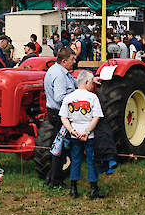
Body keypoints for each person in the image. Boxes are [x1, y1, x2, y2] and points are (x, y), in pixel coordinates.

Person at [59, 70, 105, 199]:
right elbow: (96, 117)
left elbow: (64, 117)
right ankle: (93, 189)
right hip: (88, 135)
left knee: (75, 159)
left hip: (75, 134)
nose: (92, 86)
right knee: (91, 160)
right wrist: (87, 131)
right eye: (91, 83)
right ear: (86, 82)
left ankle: (73, 188)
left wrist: (72, 131)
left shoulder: (69, 97)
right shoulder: (92, 97)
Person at [42, 47, 77, 189]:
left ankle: (51, 177)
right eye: (72, 59)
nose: (74, 62)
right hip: (59, 114)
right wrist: (76, 100)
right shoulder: (60, 75)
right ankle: (56, 181)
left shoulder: (57, 71)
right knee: (60, 147)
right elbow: (59, 97)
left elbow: (74, 82)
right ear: (64, 61)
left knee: (58, 145)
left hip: (55, 112)